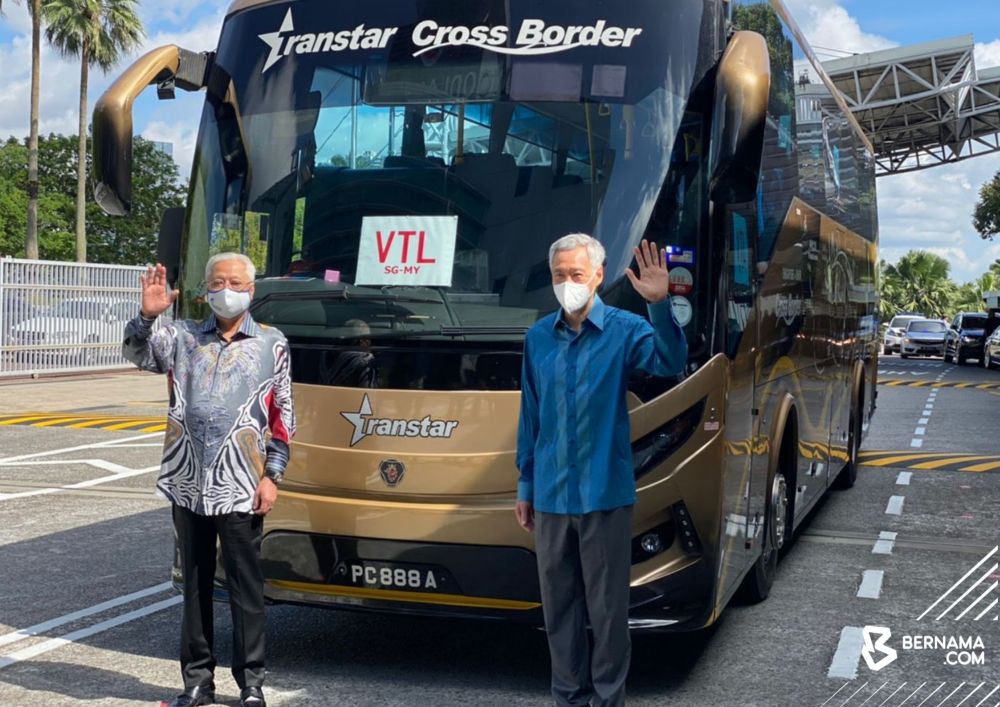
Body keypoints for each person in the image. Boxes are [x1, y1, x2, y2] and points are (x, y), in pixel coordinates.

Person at [515, 234, 687, 707]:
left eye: (576, 274)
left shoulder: (625, 330)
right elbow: (531, 417)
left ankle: (608, 699)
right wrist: (525, 484)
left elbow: (670, 361)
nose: (567, 283)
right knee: (559, 610)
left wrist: (659, 305)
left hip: (604, 494)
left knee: (608, 611)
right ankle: (568, 697)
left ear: (597, 276)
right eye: (558, 275)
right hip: (550, 494)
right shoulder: (537, 339)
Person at [122, 253, 295, 707]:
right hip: (188, 480)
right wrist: (146, 316)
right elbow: (138, 354)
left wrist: (272, 476)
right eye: (217, 281)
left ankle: (251, 682)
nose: (227, 289)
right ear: (205, 289)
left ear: (251, 290)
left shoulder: (271, 344)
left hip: (242, 482)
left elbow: (282, 418)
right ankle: (197, 679)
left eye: (235, 281)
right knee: (195, 583)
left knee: (245, 586)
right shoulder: (182, 337)